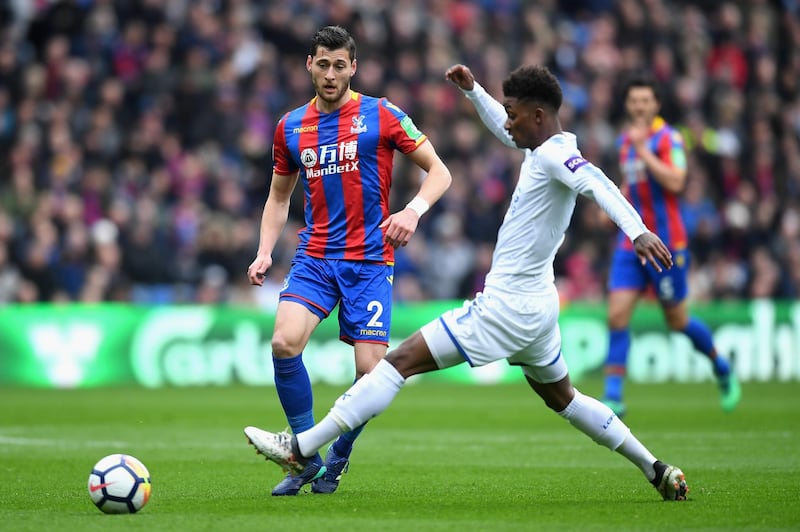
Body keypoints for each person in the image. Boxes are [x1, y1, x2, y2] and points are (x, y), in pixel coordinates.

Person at [244, 64, 689, 501]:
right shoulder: (543, 146)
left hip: (506, 308)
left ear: (537, 116)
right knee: (565, 399)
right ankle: (655, 467)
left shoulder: (557, 155)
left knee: (395, 363)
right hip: (539, 307)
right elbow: (509, 130)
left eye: (513, 113)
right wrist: (476, 92)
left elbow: (597, 182)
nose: (507, 122)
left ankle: (300, 448)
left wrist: (638, 230)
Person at [246, 25, 452, 496]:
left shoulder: (383, 114)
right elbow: (279, 199)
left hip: (369, 262)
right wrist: (263, 252)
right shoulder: (291, 127)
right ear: (309, 65)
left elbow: (440, 172)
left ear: (353, 67)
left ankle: (338, 456)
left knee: (370, 372)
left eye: (340, 65)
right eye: (323, 64)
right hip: (315, 257)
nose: (331, 74)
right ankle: (306, 460)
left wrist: (413, 211)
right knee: (282, 343)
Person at [601, 76, 741, 418]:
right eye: (634, 101)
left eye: (645, 101)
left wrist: (645, 150)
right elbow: (629, 183)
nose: (639, 107)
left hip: (666, 243)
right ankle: (613, 397)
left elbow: (677, 181)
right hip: (631, 241)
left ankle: (721, 366)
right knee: (617, 315)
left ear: (656, 105)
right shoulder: (624, 141)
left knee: (677, 321)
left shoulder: (669, 138)